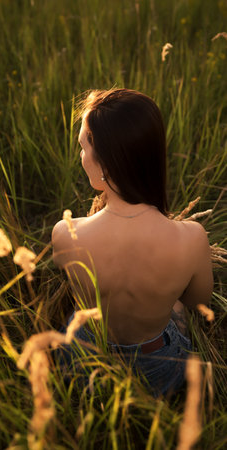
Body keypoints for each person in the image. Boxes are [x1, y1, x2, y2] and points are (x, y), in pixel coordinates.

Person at [51, 88, 213, 396]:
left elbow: (72, 279)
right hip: (157, 368)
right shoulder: (192, 238)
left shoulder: (66, 233)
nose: (81, 156)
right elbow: (197, 302)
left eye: (83, 147)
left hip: (84, 361)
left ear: (108, 165)